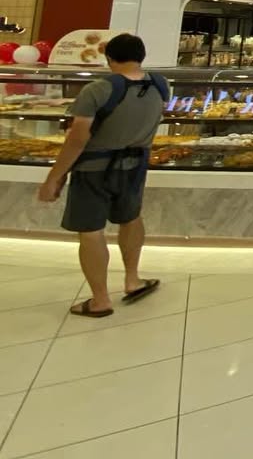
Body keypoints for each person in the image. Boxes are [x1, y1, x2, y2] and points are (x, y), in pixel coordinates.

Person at [36, 34, 166, 317]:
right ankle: (133, 280)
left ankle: (100, 300)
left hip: (94, 169)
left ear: (109, 58)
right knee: (131, 218)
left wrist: (54, 177)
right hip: (134, 166)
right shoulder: (160, 84)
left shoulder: (98, 89)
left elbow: (77, 139)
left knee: (92, 231)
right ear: (141, 56)